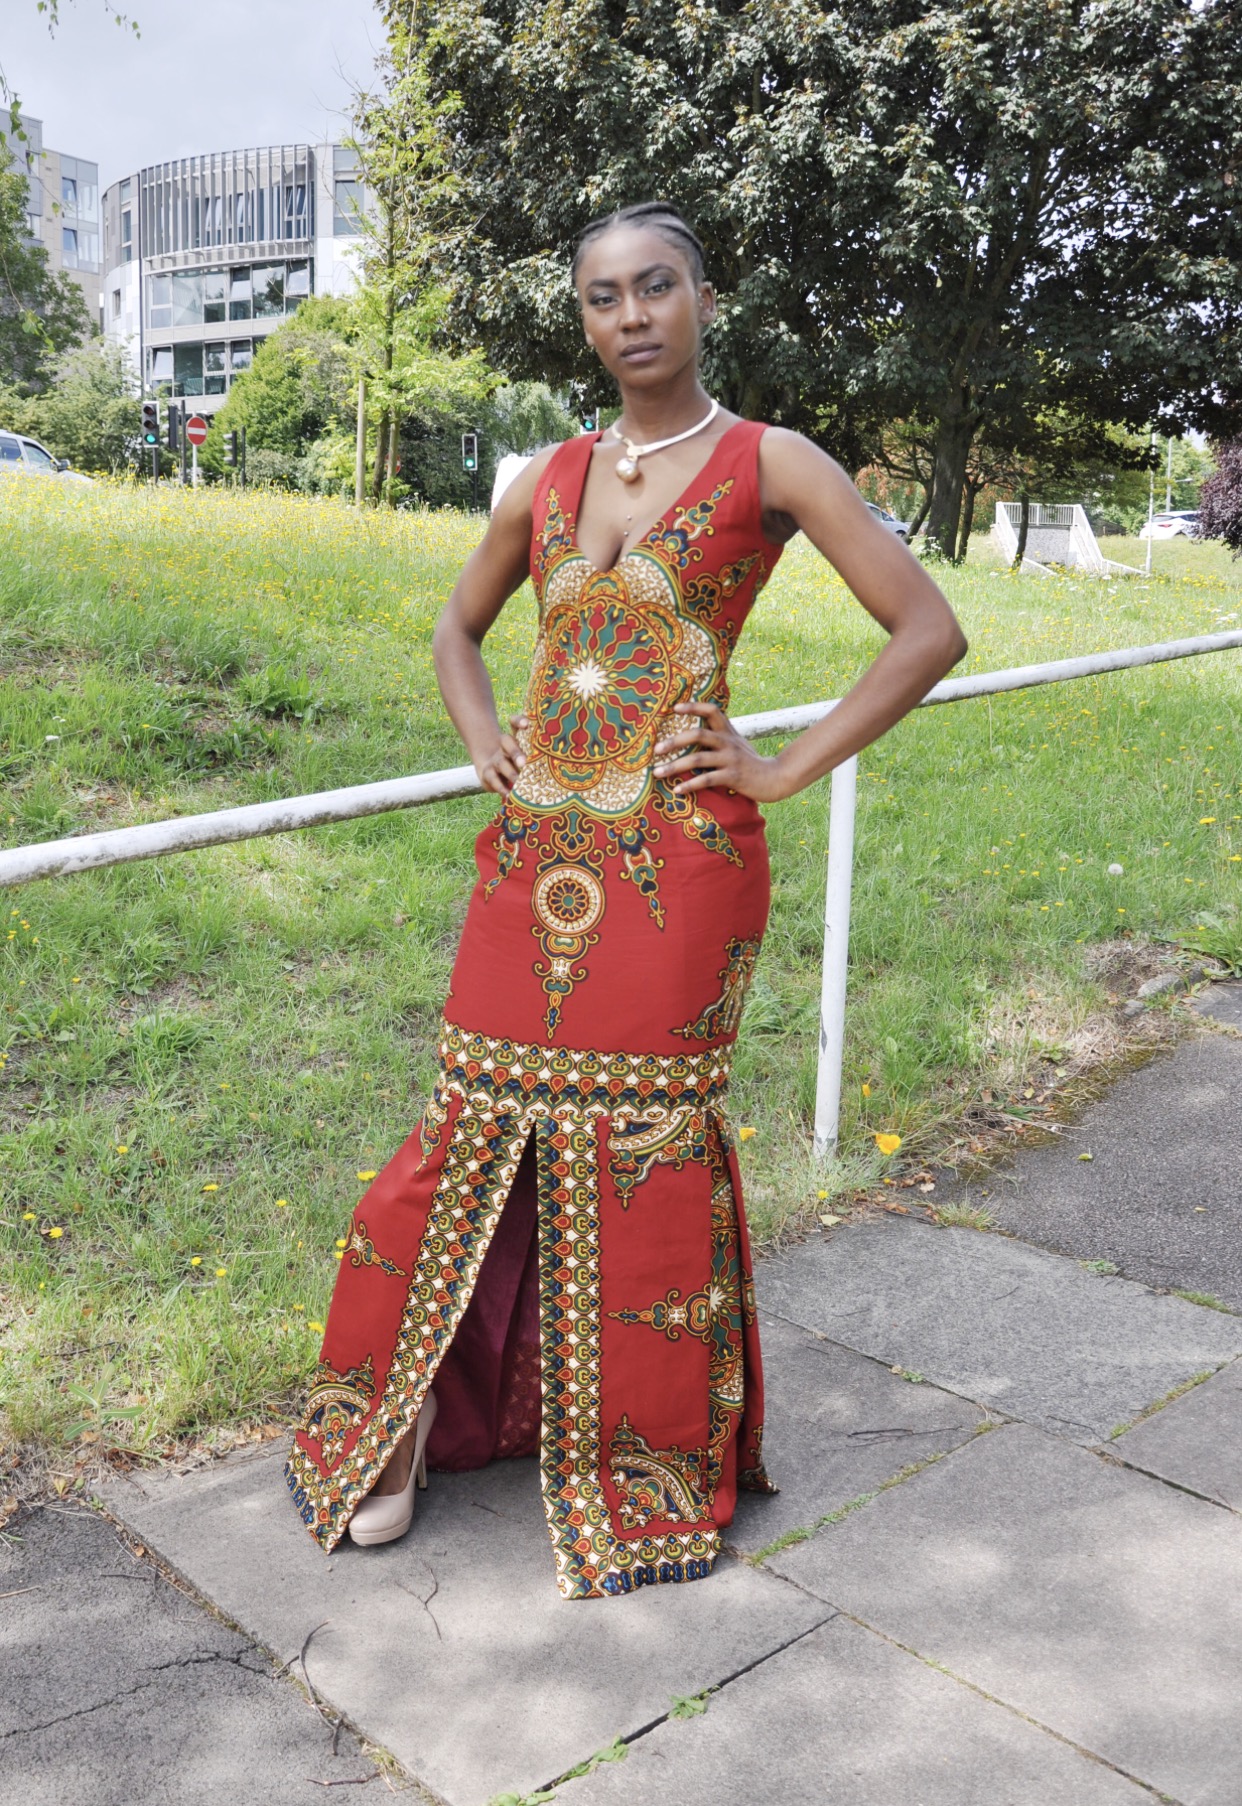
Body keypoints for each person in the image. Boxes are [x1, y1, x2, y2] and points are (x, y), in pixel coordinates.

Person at [286, 201, 967, 1600]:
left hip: (684, 867)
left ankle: (637, 1457)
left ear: (703, 300)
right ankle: (401, 1419)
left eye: (656, 286)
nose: (632, 315)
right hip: (529, 858)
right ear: (586, 322)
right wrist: (485, 735)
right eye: (604, 297)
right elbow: (458, 627)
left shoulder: (772, 460)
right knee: (459, 1125)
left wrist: (781, 767)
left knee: (644, 1145)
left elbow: (928, 629)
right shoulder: (546, 474)